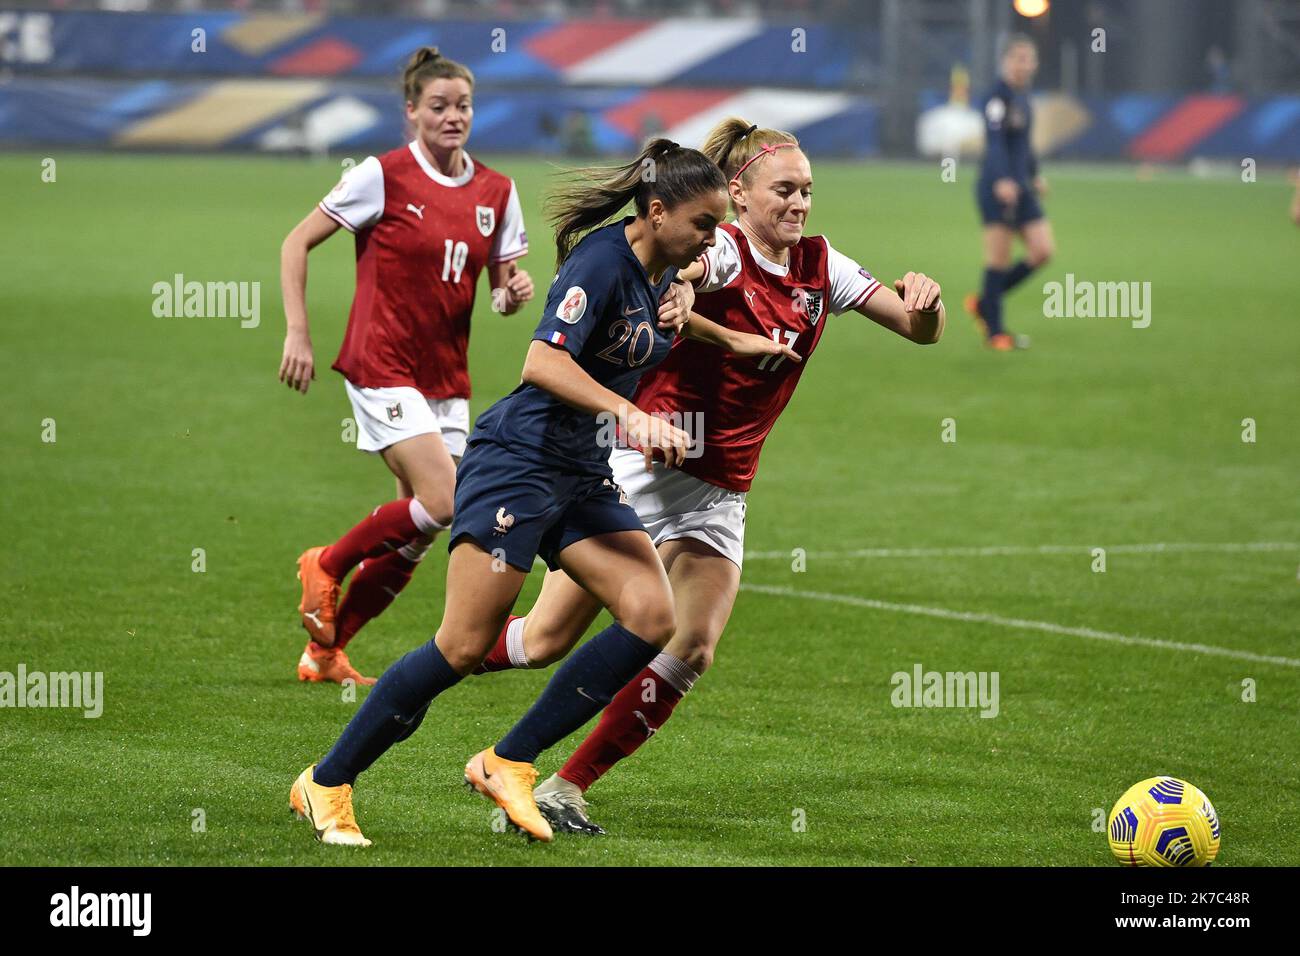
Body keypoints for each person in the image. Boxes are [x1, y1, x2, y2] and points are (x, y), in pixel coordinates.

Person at [288, 139, 801, 845]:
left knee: (653, 617)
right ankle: (326, 780)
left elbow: (657, 320)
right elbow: (541, 361)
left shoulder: (663, 269)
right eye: (705, 225)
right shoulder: (602, 260)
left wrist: (732, 341)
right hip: (518, 464)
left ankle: (510, 760)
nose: (713, 241)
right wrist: (629, 413)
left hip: (581, 475)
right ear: (656, 212)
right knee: (461, 647)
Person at [468, 118, 945, 835]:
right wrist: (684, 288)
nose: (799, 204)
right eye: (784, 190)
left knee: (691, 644)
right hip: (643, 467)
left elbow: (915, 329)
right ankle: (452, 656)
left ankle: (558, 784)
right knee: (542, 641)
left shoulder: (822, 266)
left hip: (721, 489)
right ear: (742, 195)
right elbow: (690, 268)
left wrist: (928, 306)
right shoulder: (717, 245)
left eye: (807, 191)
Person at [278, 47, 534, 685]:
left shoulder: (497, 191)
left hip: (446, 376)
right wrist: (299, 333)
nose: (454, 117)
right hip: (381, 361)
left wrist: (511, 293)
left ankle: (326, 652)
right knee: (446, 499)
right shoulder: (381, 175)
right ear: (412, 112)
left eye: (464, 105)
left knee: (415, 534)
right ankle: (326, 563)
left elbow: (500, 288)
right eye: (439, 106)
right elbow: (296, 242)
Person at [963, 33, 1053, 351]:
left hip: (1022, 187)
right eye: (1017, 58)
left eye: (1028, 59)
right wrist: (1001, 179)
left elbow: (1023, 146)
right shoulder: (996, 99)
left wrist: (1034, 175)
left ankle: (985, 302)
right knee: (997, 260)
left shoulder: (1024, 99)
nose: (1023, 65)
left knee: (1043, 251)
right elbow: (996, 142)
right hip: (995, 186)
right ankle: (995, 332)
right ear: (1005, 62)